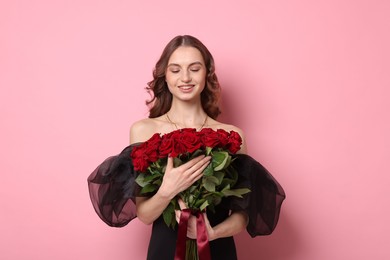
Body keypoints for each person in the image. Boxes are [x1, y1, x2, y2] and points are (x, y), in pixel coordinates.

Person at [87, 35, 285, 260]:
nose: (185, 78)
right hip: (165, 251)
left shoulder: (232, 136)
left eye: (194, 68)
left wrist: (212, 233)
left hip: (218, 250)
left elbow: (242, 215)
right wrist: (167, 189)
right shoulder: (143, 131)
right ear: (165, 75)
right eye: (175, 69)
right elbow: (145, 214)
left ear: (207, 73)